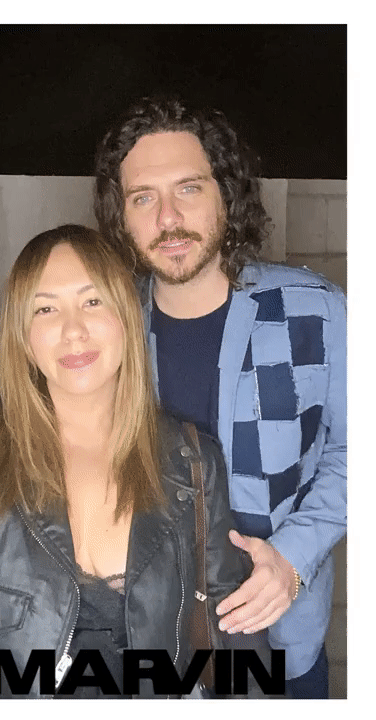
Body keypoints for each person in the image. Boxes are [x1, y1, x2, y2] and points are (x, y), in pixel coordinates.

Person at [0, 224, 274, 700]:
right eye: (46, 308)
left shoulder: (192, 459)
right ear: (23, 335)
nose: (74, 330)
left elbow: (233, 631)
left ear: (126, 316)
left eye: (92, 301)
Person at [94, 97, 347, 699]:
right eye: (143, 198)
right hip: (147, 646)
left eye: (189, 188)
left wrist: (292, 559)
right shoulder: (104, 329)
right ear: (121, 216)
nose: (168, 218)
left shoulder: (316, 312)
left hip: (281, 644)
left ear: (226, 196)